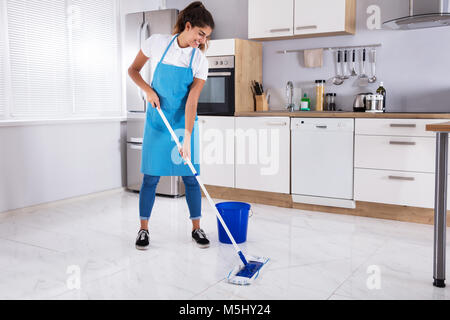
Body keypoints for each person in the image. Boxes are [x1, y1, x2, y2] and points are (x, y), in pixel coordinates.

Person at [128, 2, 214, 250]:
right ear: (188, 26)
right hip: (157, 122)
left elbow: (192, 101)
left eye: (206, 36)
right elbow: (133, 70)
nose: (202, 40)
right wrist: (148, 91)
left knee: (191, 178)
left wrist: (186, 137)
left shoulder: (199, 61)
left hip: (183, 122)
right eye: (200, 33)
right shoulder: (157, 42)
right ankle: (143, 230)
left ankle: (196, 228)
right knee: (150, 178)